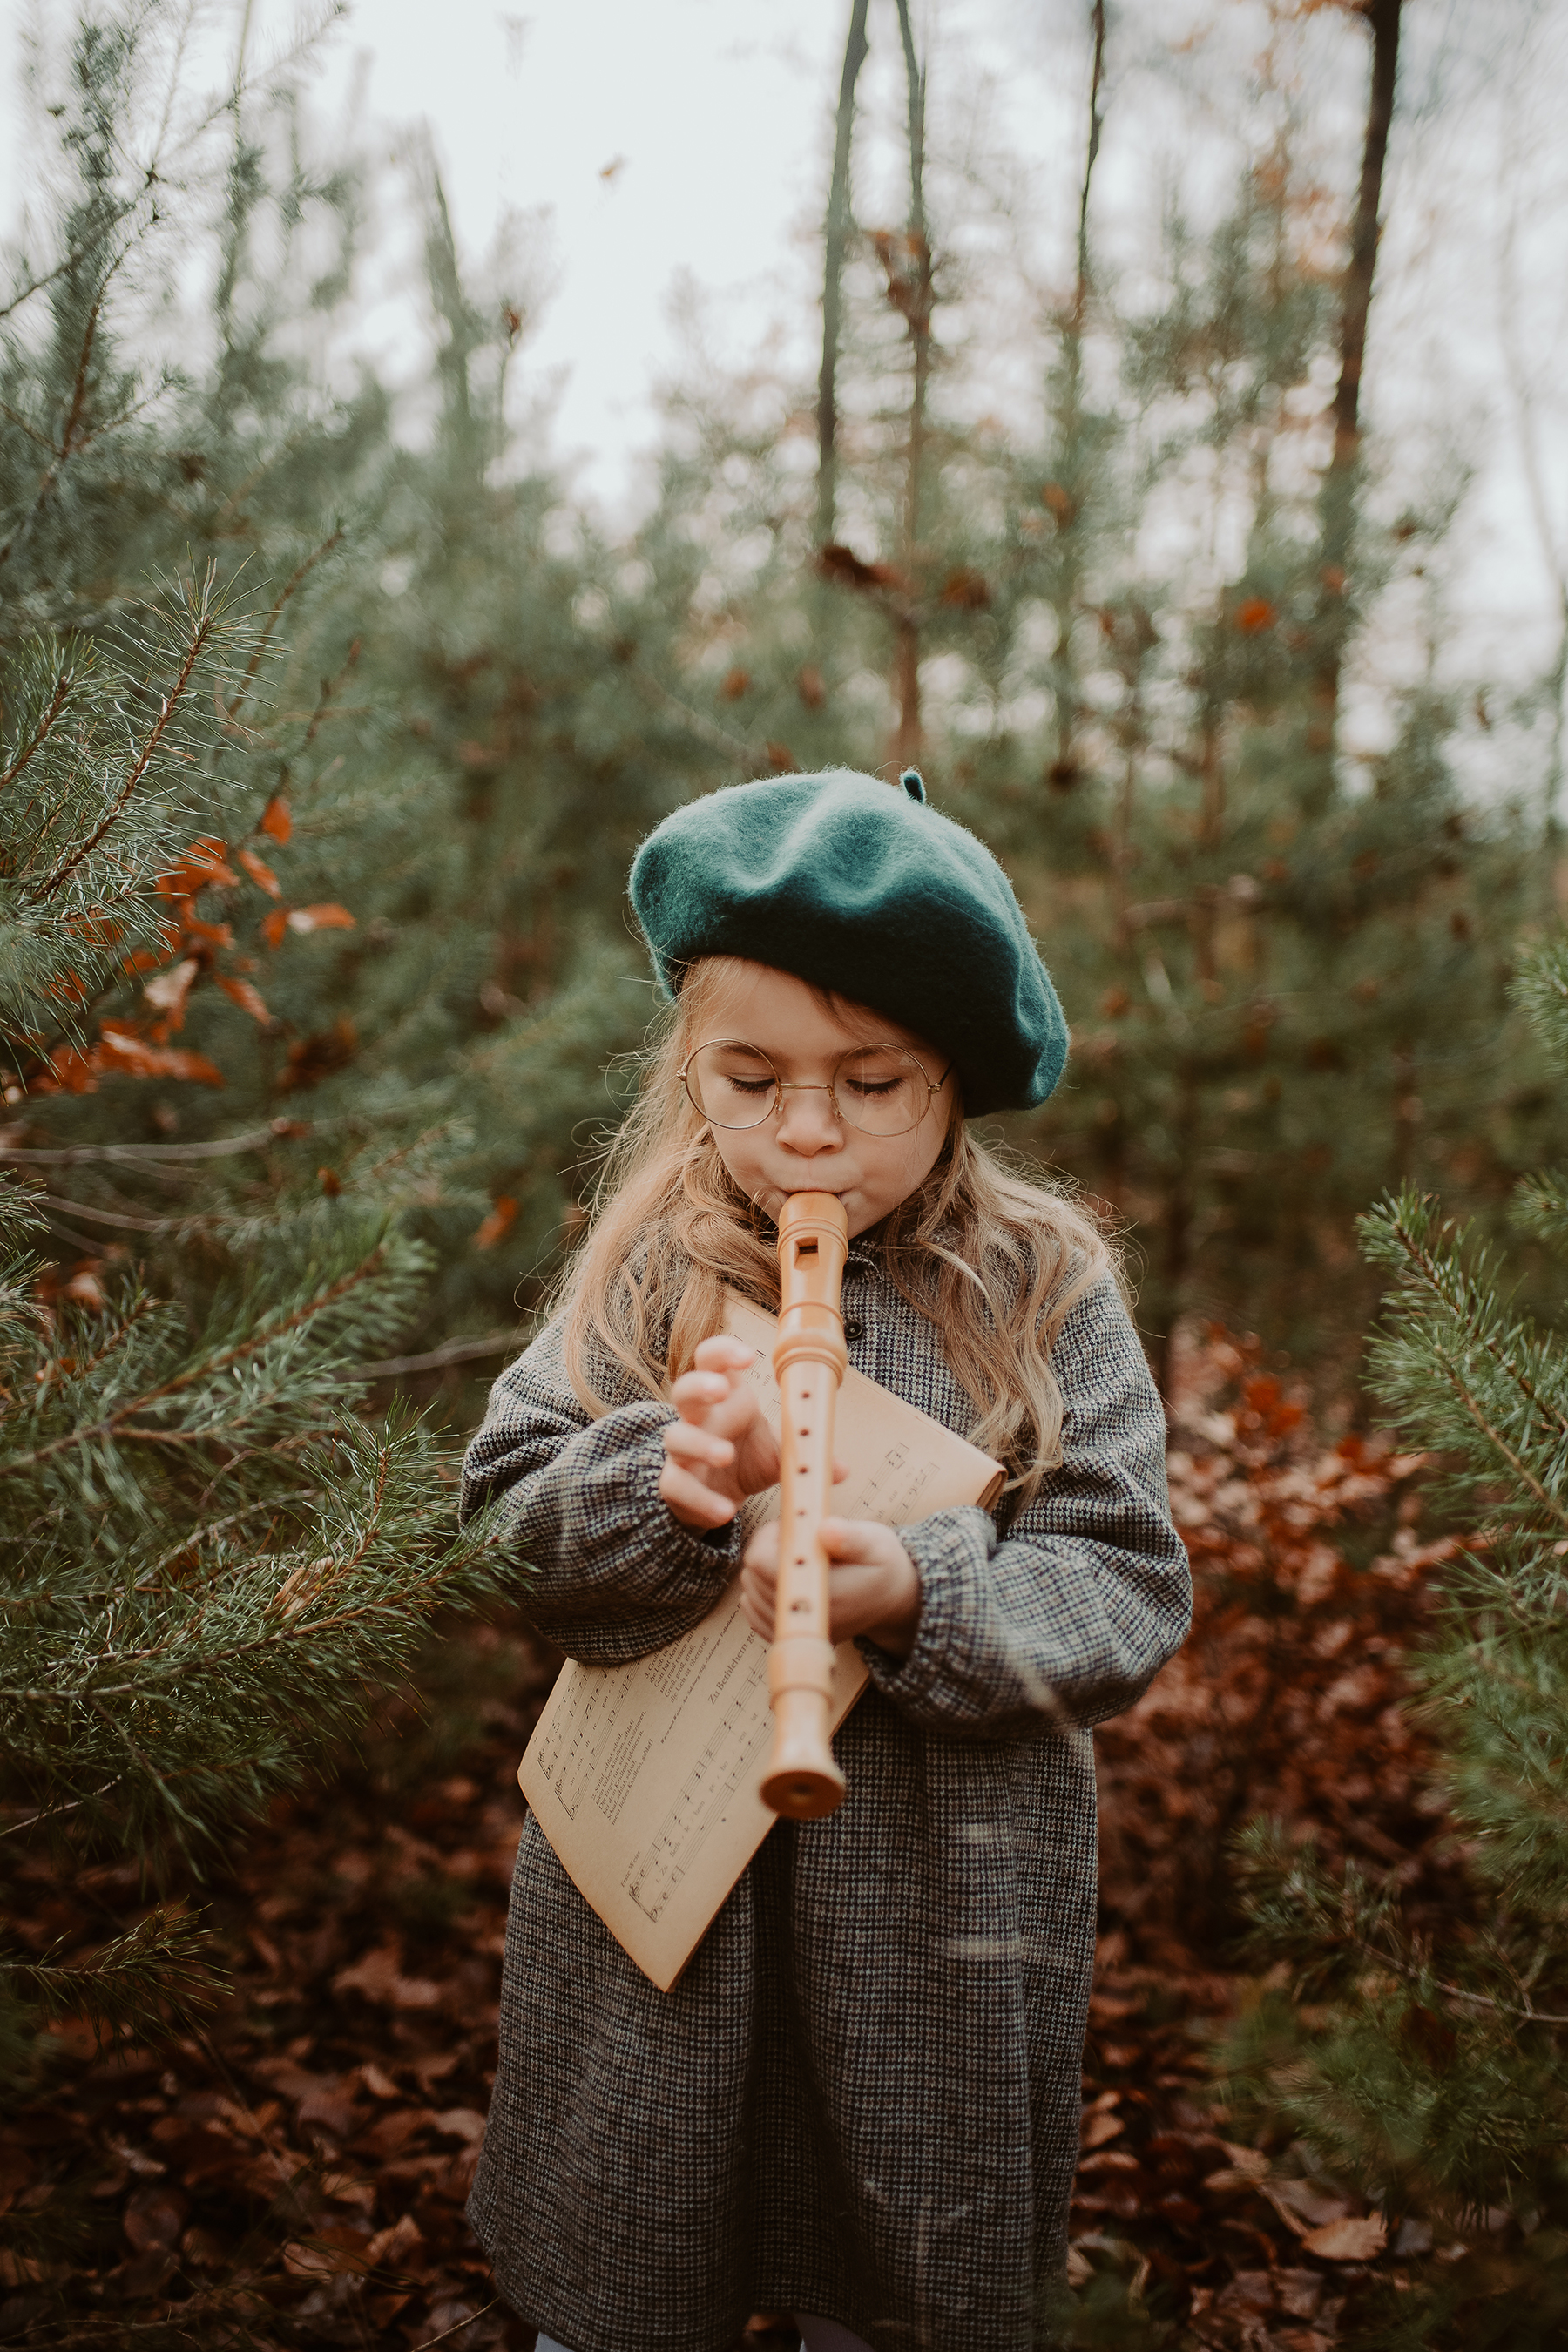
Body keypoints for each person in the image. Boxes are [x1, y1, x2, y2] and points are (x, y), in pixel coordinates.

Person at [461, 767, 1191, 2352]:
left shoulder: (1042, 1283)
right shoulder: (649, 1260)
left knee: (905, 2268)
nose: (806, 1130)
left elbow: (1126, 1577)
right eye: (752, 1077)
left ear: (956, 1080)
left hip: (938, 1902)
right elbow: (503, 1521)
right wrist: (660, 1489)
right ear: (689, 1069)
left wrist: (928, 1592)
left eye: (873, 1083)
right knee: (631, 2255)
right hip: (660, 1918)